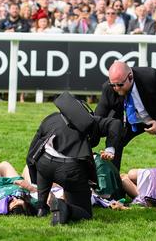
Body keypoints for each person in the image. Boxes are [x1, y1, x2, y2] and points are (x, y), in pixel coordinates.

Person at [26, 92, 121, 225]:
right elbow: (115, 124)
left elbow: (33, 150)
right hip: (70, 171)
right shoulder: (91, 122)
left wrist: (33, 174)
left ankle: (41, 208)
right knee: (86, 213)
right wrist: (110, 148)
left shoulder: (51, 118)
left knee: (44, 165)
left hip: (44, 164)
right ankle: (65, 207)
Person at [94, 61, 156, 171]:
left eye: (120, 84)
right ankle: (113, 184)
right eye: (113, 85)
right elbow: (99, 118)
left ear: (130, 77)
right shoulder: (108, 88)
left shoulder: (151, 76)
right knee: (114, 143)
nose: (116, 88)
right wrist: (108, 147)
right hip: (130, 121)